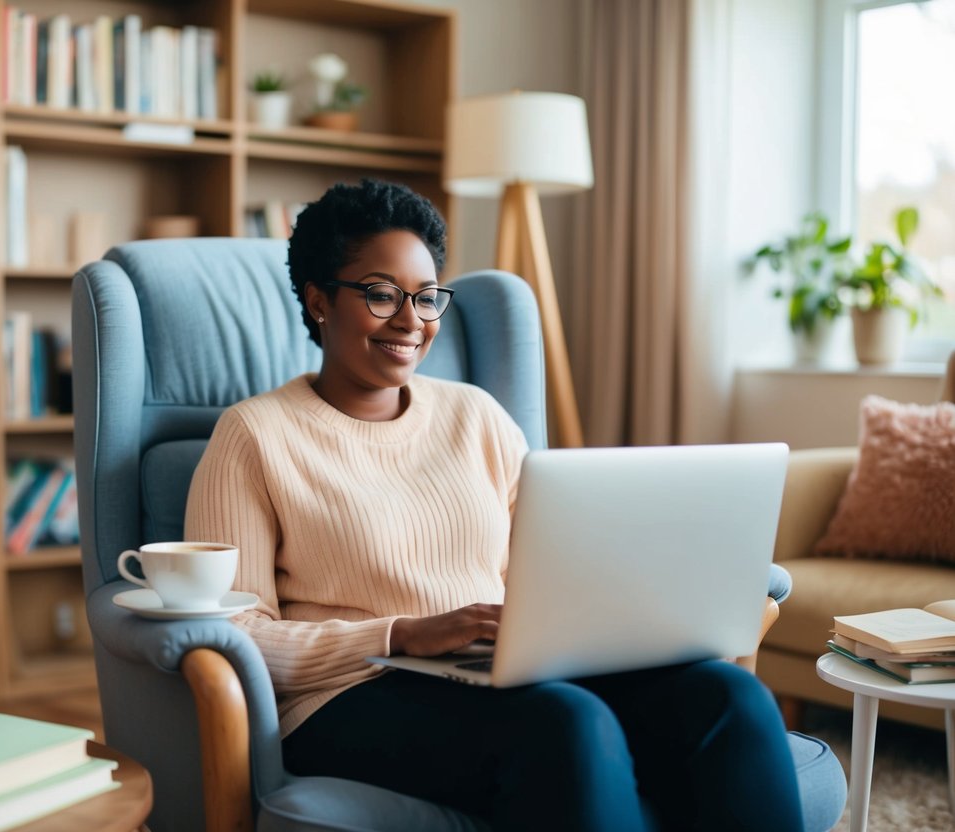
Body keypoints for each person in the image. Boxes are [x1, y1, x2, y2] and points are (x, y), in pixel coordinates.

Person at [185, 179, 804, 831]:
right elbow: (237, 634)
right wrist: (402, 633)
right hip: (349, 696)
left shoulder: (474, 415)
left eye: (426, 298)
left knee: (726, 697)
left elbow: (551, 570)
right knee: (567, 723)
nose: (410, 320)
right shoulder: (252, 435)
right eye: (379, 294)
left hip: (501, 671)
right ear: (318, 300)